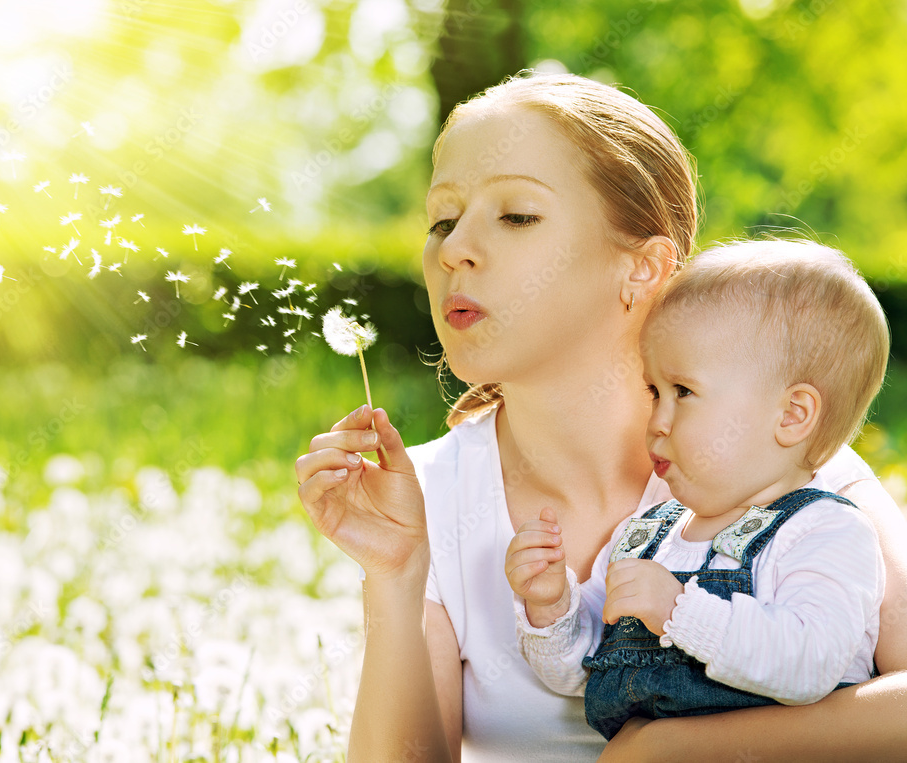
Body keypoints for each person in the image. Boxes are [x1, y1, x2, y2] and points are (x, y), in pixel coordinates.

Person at [294, 71, 907, 762]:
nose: (453, 249)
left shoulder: (784, 468)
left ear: (643, 268)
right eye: (442, 218)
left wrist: (669, 750)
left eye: (517, 214)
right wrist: (397, 575)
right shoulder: (430, 498)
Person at [506, 240, 887, 741]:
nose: (658, 420)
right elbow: (583, 674)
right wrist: (552, 608)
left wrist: (679, 610)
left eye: (683, 392)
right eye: (653, 391)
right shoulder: (646, 536)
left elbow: (810, 664)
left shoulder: (826, 530)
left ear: (792, 415)